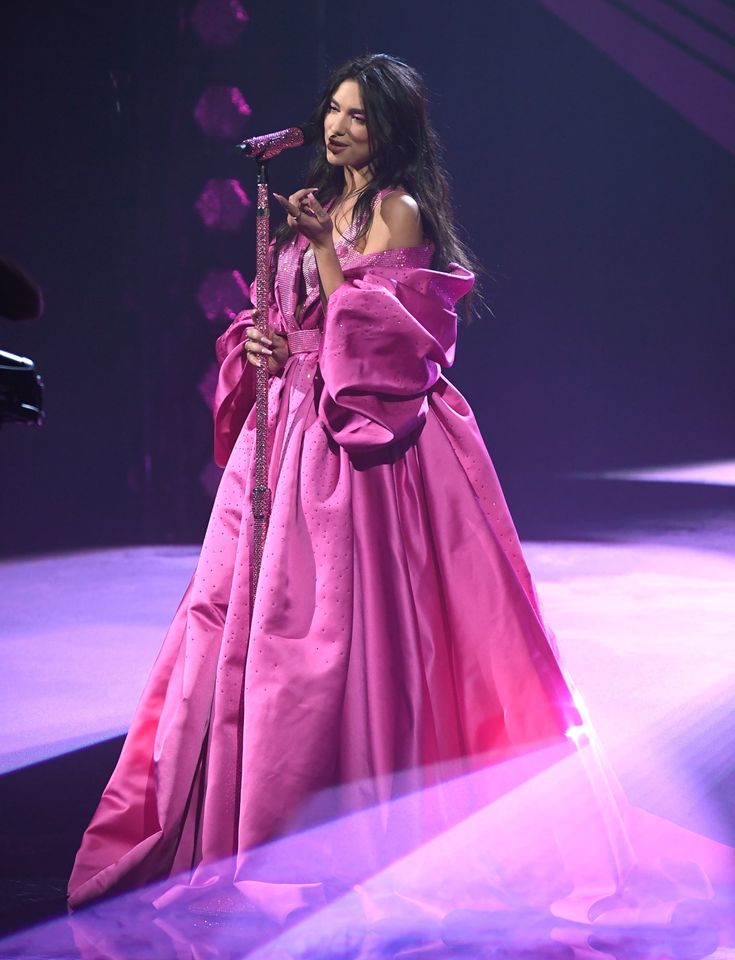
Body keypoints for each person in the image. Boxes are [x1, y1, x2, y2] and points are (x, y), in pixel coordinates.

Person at [66, 53, 594, 915]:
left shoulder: (395, 209)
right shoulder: (316, 204)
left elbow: (382, 332)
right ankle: (241, 815)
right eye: (334, 111)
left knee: (340, 629)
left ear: (390, 129)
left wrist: (320, 248)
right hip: (285, 435)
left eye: (358, 115)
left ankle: (357, 821)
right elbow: (280, 315)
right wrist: (263, 343)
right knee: (239, 617)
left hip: (358, 439)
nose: (341, 127)